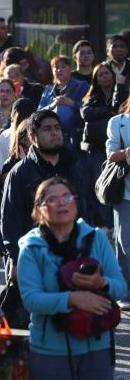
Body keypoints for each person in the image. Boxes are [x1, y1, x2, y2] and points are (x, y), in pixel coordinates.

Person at [18, 177, 127, 379]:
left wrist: (102, 283)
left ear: (75, 203)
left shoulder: (96, 238)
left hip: (97, 346)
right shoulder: (31, 247)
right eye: (52, 200)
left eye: (67, 197)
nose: (61, 203)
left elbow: (121, 288)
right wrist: (72, 299)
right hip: (50, 351)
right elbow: (31, 299)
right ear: (39, 210)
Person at [1, 110, 89, 278]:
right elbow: (10, 219)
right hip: (36, 255)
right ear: (32, 137)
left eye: (57, 127)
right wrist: (15, 258)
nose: (54, 133)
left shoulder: (75, 165)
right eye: (47, 129)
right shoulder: (20, 173)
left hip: (74, 253)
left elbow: (85, 207)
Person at [82, 63, 124, 229]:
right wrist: (108, 111)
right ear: (96, 80)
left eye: (107, 73)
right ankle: (106, 224)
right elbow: (85, 113)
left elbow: (119, 109)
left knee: (117, 186)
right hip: (96, 150)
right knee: (101, 185)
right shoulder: (92, 98)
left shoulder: (121, 92)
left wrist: (119, 89)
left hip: (118, 149)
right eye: (100, 75)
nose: (104, 76)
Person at [106, 100, 130, 309]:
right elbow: (111, 155)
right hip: (125, 191)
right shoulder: (118, 122)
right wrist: (127, 152)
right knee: (124, 242)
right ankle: (125, 291)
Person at [39, 55, 89, 151]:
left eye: (63, 67)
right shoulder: (47, 90)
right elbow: (38, 113)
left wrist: (72, 103)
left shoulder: (82, 86)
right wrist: (52, 105)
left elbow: (89, 108)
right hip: (52, 138)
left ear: (70, 69)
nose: (59, 70)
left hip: (75, 137)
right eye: (56, 67)